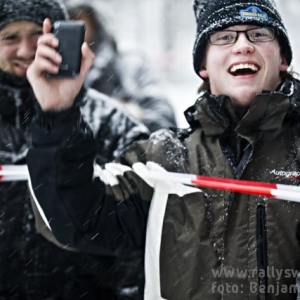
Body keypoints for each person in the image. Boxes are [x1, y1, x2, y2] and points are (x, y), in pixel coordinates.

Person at [26, 0, 300, 299]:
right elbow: (75, 221)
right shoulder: (163, 159)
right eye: (224, 36)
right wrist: (58, 114)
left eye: (259, 34)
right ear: (203, 66)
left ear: (283, 59)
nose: (243, 45)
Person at [0, 0, 150, 299]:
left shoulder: (111, 122)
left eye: (38, 36)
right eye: (10, 37)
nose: (26, 50)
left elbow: (141, 234)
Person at [64, 0, 177, 132]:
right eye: (63, 21)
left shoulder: (130, 65)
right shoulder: (43, 70)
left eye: (76, 19)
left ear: (93, 21)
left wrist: (126, 116)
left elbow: (165, 122)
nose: (70, 28)